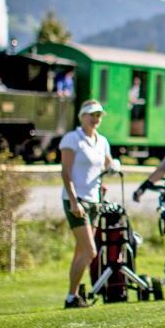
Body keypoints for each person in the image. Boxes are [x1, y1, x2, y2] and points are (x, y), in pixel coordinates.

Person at [61, 99, 120, 309]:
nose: (95, 119)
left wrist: (113, 168)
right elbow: (66, 172)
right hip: (76, 200)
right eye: (91, 115)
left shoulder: (102, 141)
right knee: (90, 251)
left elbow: (107, 163)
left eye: (98, 116)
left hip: (95, 200)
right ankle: (70, 296)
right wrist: (74, 201)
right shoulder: (72, 139)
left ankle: (74, 295)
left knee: (81, 251)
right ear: (82, 117)